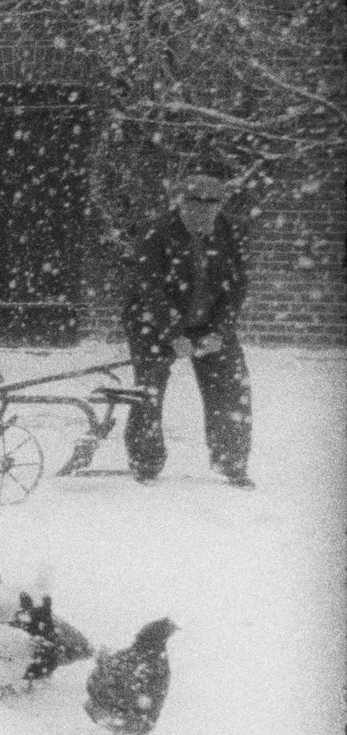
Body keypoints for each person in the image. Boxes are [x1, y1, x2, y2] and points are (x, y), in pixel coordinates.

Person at [120, 158, 253, 488]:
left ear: (221, 206)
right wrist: (173, 333)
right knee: (148, 390)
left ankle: (231, 461)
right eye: (195, 203)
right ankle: (146, 462)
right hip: (154, 321)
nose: (204, 211)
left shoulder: (230, 232)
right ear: (181, 202)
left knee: (231, 388)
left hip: (208, 324)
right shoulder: (155, 232)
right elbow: (148, 286)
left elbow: (236, 285)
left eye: (212, 205)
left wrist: (221, 331)